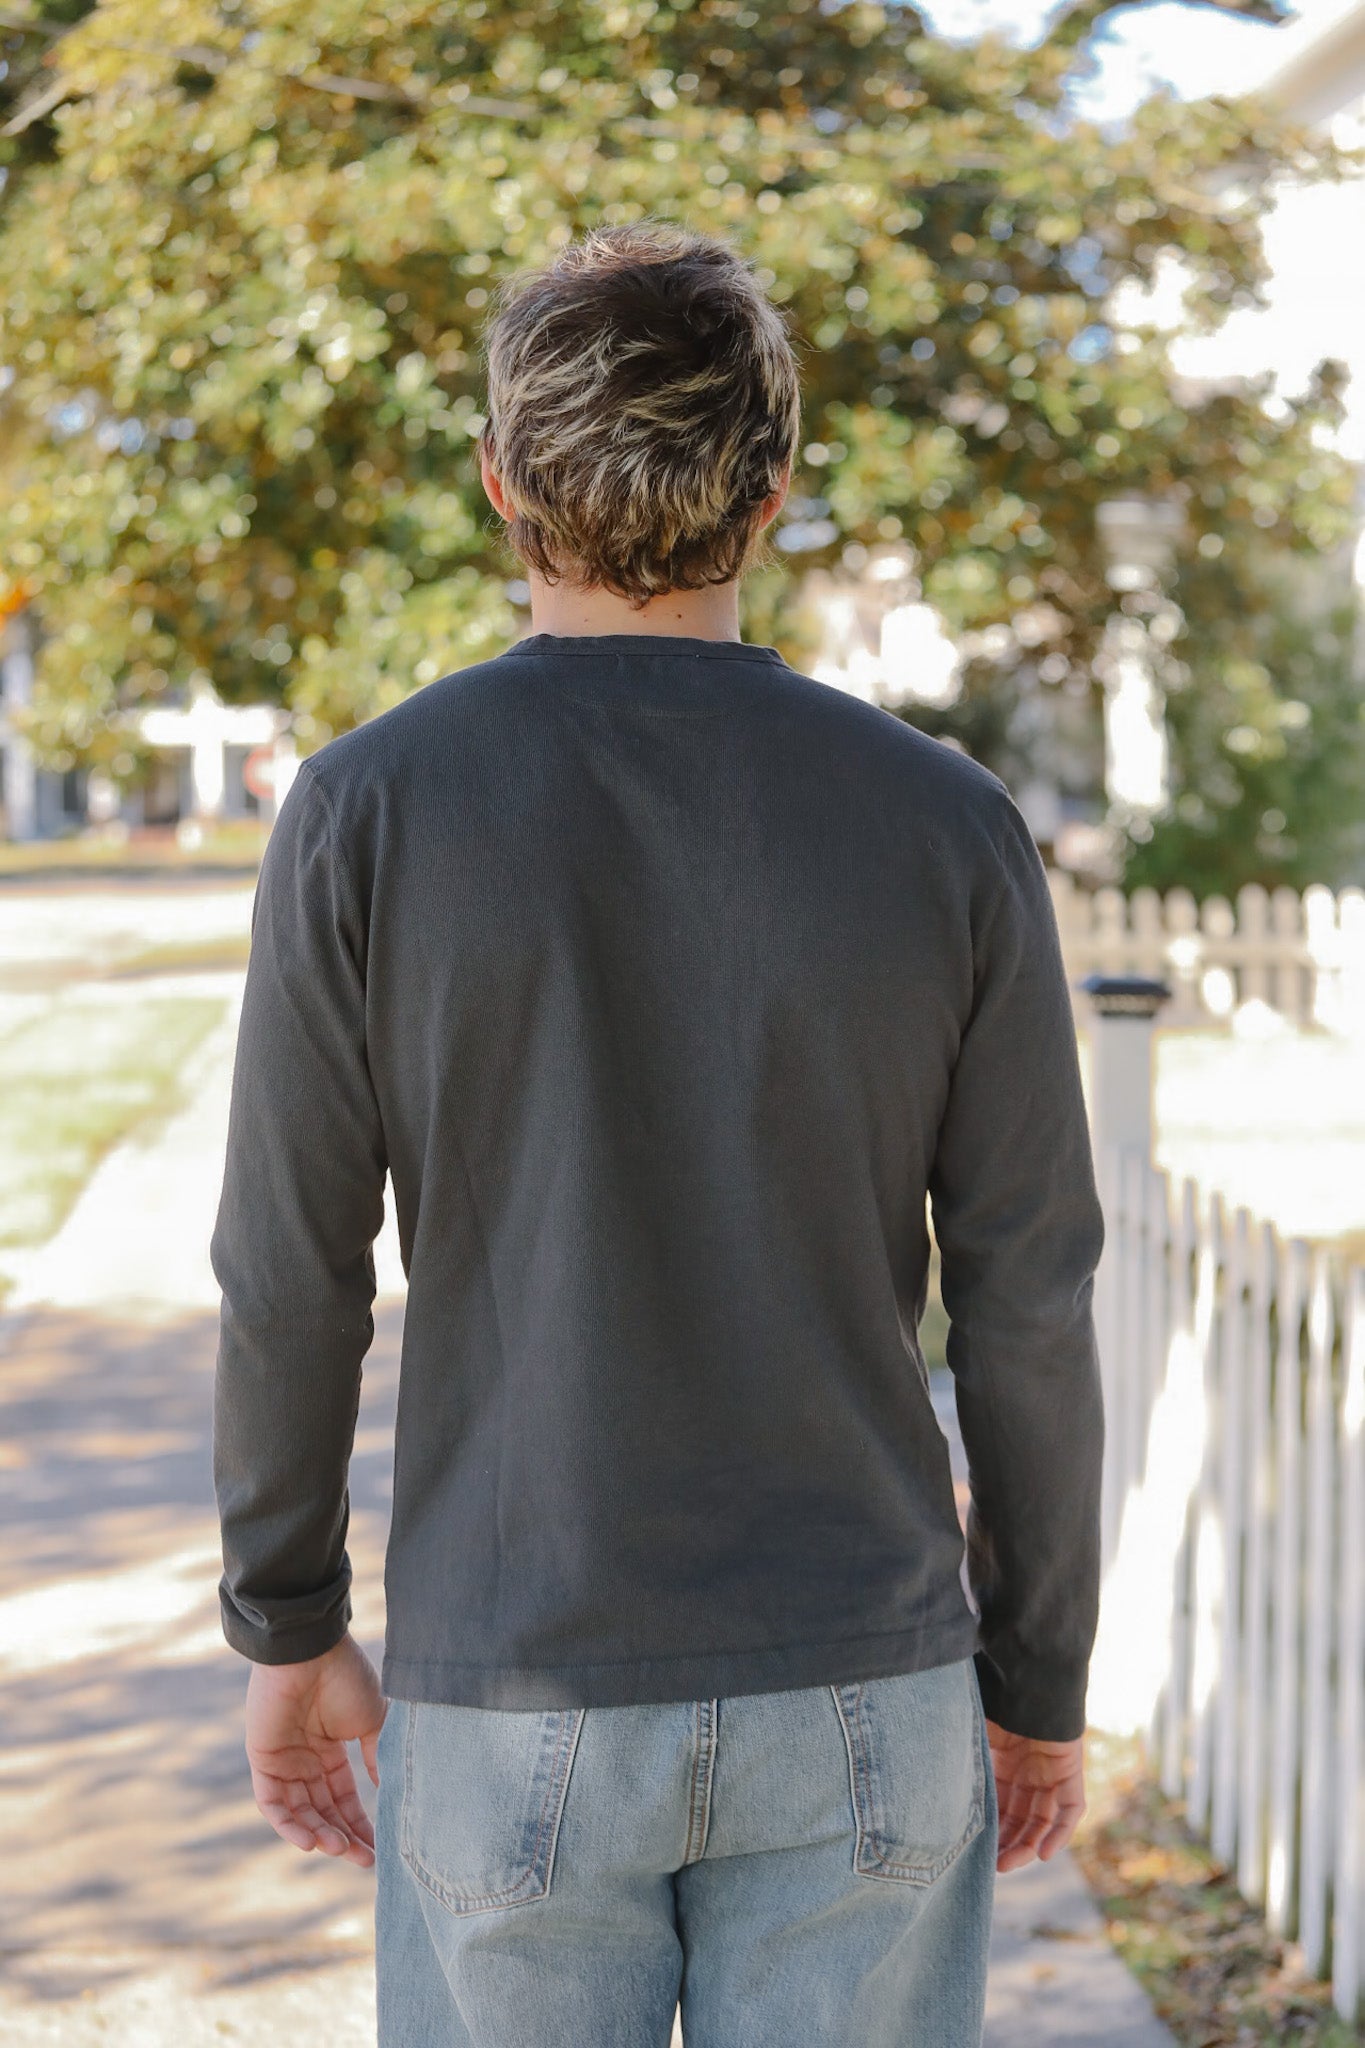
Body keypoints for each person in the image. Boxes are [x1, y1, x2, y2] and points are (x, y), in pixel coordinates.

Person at [212, 218, 1106, 2048]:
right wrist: (1040, 1675)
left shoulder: (365, 811)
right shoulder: (945, 826)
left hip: (513, 1668)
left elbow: (287, 1274)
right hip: (862, 1677)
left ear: (497, 484)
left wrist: (287, 1623)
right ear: (771, 492)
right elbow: (1029, 1291)